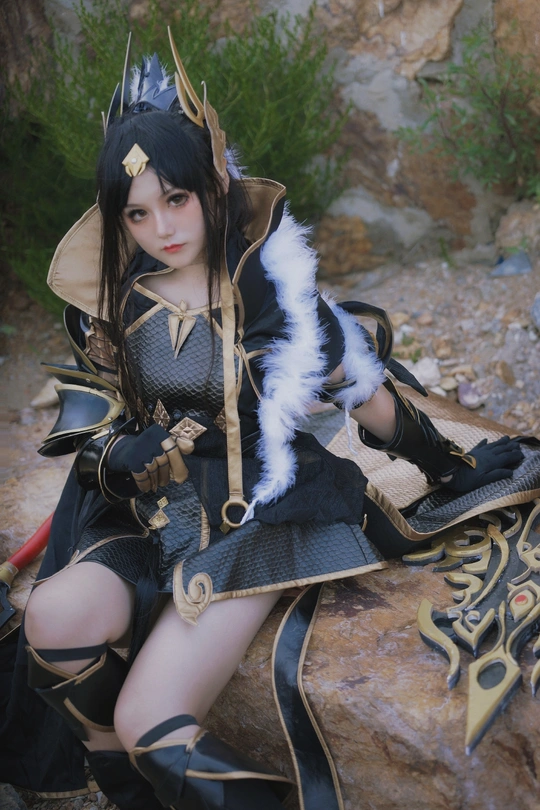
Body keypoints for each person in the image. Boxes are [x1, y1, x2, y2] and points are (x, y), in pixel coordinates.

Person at [3, 35, 525, 810]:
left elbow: (363, 391)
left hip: (256, 517)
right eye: (138, 213)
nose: (161, 228)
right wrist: (118, 456)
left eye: (176, 201)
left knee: (152, 721)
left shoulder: (275, 298)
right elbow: (92, 425)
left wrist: (449, 464)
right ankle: (126, 792)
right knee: (52, 617)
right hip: (149, 515)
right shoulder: (112, 303)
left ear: (215, 184)